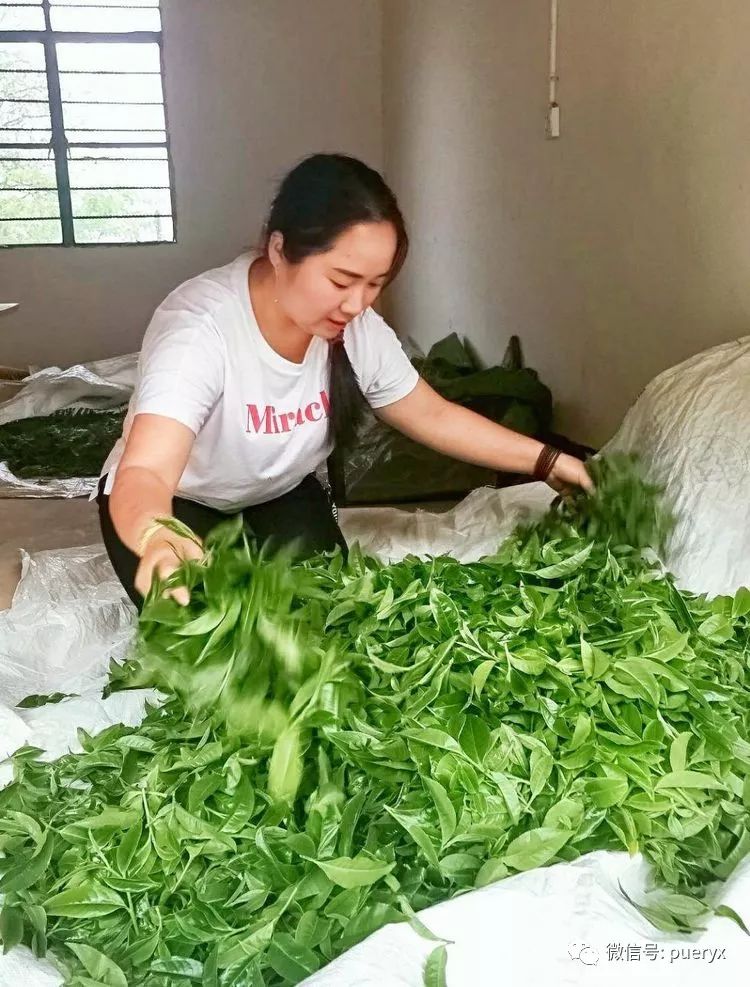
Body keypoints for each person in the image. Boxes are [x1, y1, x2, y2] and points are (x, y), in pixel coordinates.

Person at [98, 153, 591, 609]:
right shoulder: (199, 330)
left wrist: (547, 460)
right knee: (213, 640)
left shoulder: (358, 331)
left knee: (326, 617)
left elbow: (430, 413)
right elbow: (147, 471)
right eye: (340, 281)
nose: (357, 305)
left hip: (278, 494)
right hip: (181, 501)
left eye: (375, 285)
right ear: (279, 249)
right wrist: (155, 536)